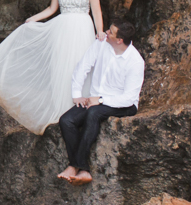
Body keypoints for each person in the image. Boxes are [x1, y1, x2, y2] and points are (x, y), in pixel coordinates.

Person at [0, 0, 105, 133]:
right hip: (62, 30)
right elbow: (52, 9)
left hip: (83, 29)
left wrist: (100, 31)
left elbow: (97, 12)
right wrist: (34, 19)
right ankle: (63, 108)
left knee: (82, 64)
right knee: (62, 66)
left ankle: (83, 108)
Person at [56, 20, 144, 185]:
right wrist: (77, 94)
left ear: (119, 40)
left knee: (94, 112)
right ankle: (81, 169)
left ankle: (76, 166)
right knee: (66, 120)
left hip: (123, 104)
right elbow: (83, 67)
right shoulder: (101, 43)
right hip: (96, 98)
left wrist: (101, 100)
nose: (105, 32)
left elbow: (129, 97)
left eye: (110, 32)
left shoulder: (135, 61)